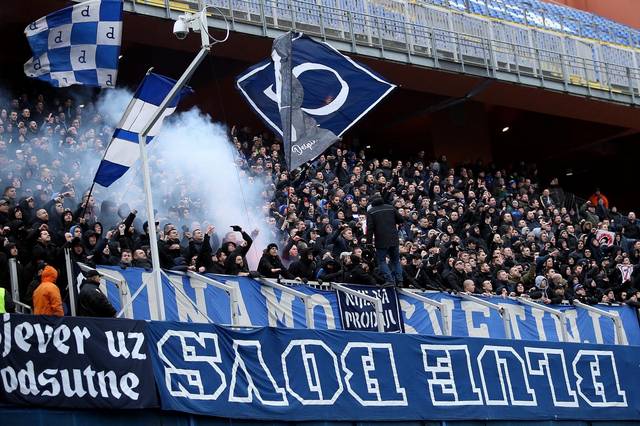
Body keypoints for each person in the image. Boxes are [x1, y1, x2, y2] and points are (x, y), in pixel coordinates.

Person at [366, 194, 404, 285]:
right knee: (395, 260)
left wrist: (369, 243)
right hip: (394, 239)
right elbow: (401, 219)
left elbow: (370, 228)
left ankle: (389, 280)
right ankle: (400, 280)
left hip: (381, 240)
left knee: (382, 260)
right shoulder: (391, 208)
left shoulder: (371, 211)